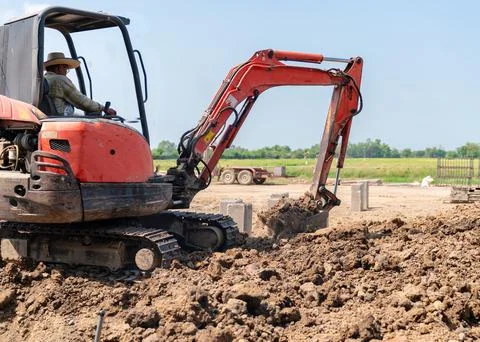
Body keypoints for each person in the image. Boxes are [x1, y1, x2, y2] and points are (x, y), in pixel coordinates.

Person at [43, 52, 117, 116]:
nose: (66, 72)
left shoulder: (43, 80)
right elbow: (82, 101)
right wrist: (103, 108)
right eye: (65, 68)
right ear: (59, 68)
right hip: (61, 119)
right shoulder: (60, 80)